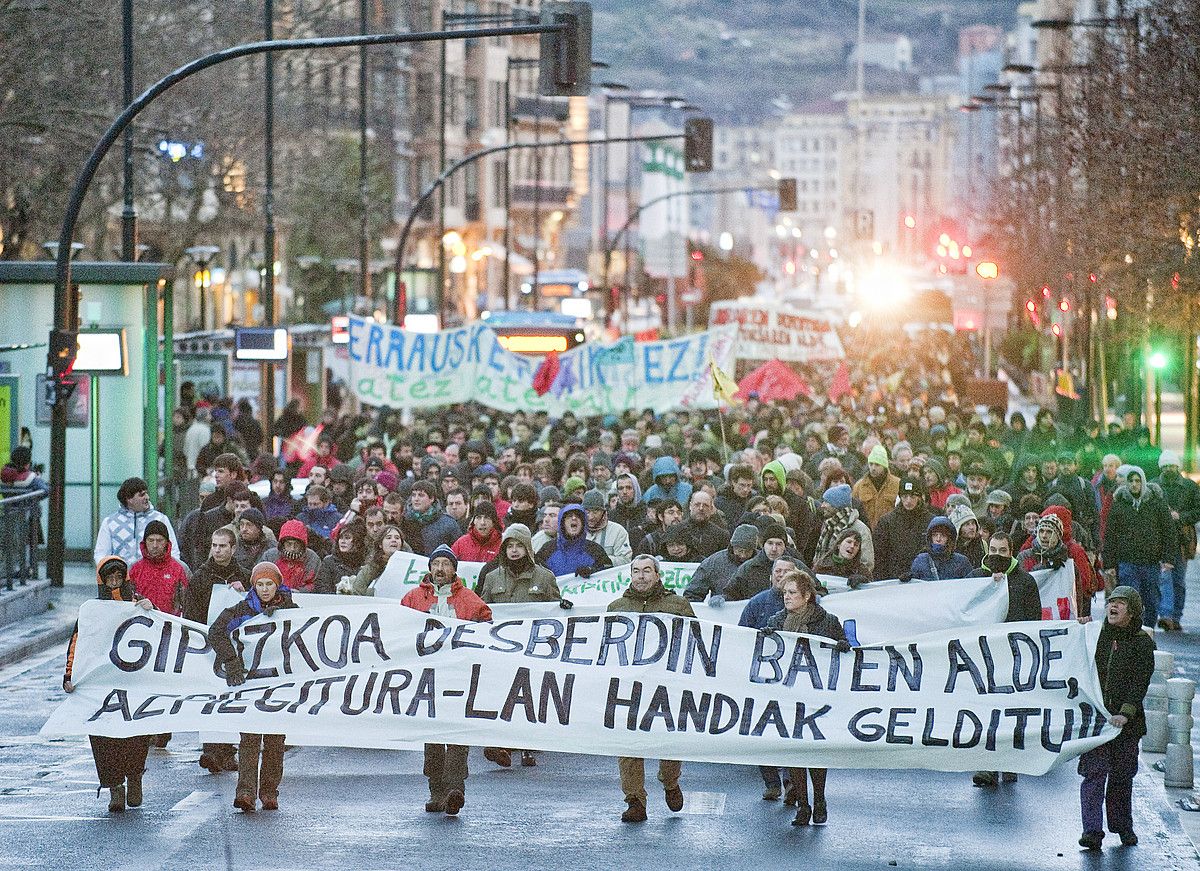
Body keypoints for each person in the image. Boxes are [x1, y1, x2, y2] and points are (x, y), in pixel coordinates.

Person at [400, 545, 492, 815]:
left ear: (454, 569)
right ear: (429, 568)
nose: (440, 569)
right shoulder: (413, 598)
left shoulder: (469, 599)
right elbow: (398, 629)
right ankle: (436, 790)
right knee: (431, 735)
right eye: (435, 564)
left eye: (445, 564)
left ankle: (455, 789)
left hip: (457, 676)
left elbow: (486, 622)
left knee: (456, 731)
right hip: (425, 676)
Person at [63, 556, 154, 813]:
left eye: (118, 577)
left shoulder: (140, 605)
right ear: (101, 581)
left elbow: (160, 635)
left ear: (125, 579)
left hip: (135, 681)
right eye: (109, 578)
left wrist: (151, 609)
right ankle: (114, 785)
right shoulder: (91, 611)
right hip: (102, 683)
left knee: (136, 733)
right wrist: (69, 675)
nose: (114, 582)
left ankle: (134, 775)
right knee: (103, 735)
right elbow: (76, 644)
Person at [607, 554, 694, 822]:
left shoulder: (677, 605)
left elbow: (696, 641)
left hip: (667, 685)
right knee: (629, 742)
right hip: (629, 685)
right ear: (630, 575)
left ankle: (670, 782)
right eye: (636, 571)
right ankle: (635, 800)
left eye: (647, 571)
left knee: (667, 739)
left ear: (658, 575)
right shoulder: (616, 607)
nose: (641, 576)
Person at [208, 562, 298, 812]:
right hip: (250, 683)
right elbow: (216, 632)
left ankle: (269, 791)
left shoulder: (291, 610)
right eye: (260, 584)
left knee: (275, 738)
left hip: (279, 683)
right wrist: (231, 661)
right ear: (254, 585)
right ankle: (245, 792)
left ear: (277, 585)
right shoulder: (242, 609)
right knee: (249, 737)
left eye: (270, 584)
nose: (265, 589)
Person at [763, 569, 850, 826]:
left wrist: (843, 644)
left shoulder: (827, 621)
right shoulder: (778, 621)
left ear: (807, 595)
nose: (786, 598)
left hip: (815, 696)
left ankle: (820, 799)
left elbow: (844, 644)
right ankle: (803, 804)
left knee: (815, 752)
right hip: (788, 696)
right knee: (795, 753)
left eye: (792, 593)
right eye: (784, 593)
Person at [476, 523, 565, 769]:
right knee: (502, 694)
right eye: (509, 546)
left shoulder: (544, 577)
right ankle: (500, 743)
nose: (514, 551)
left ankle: (526, 745)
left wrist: (564, 607)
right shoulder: (493, 577)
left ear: (528, 547)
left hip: (533, 649)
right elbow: (483, 609)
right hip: (501, 648)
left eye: (518, 546)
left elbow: (556, 611)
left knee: (528, 697)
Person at [1077, 586, 1155, 851]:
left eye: (1120, 604)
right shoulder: (1096, 635)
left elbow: (1139, 682)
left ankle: (1122, 826)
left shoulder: (1142, 643)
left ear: (1131, 612)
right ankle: (1091, 831)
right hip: (1097, 721)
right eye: (1111, 602)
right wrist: (1079, 628)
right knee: (1093, 774)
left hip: (1127, 725)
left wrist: (1126, 712)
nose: (1113, 607)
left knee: (1122, 777)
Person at [968, 531, 1043, 787]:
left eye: (1002, 551)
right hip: (983, 656)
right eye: (993, 550)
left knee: (1009, 711)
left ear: (1011, 552)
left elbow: (1035, 623)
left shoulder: (1025, 582)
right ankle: (986, 764)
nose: (996, 555)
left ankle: (1009, 761)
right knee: (985, 711)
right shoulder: (975, 578)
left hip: (1013, 657)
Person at [1101, 466, 1176, 630]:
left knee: (1151, 600)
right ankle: (1133, 632)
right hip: (1126, 562)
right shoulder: (1119, 505)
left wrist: (1168, 559)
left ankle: (1147, 629)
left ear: (1143, 482)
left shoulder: (1156, 504)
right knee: (1130, 600)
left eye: (1137, 481)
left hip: (1151, 562)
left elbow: (1168, 532)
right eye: (1131, 481)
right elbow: (1110, 536)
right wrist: (1109, 564)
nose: (1134, 485)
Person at [1151, 450, 1199, 631]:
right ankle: (1166, 614)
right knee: (1164, 578)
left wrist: (1182, 517)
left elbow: (1198, 509)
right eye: (1166, 466)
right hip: (1161, 539)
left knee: (1178, 579)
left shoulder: (1189, 487)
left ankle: (1175, 615)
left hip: (1181, 540)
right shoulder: (1154, 486)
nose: (1169, 469)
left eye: (1172, 466)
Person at [93, 477, 178, 567]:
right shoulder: (110, 523)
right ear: (129, 499)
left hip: (153, 579)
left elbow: (173, 551)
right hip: (121, 578)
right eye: (142, 495)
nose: (147, 497)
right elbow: (101, 554)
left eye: (146, 493)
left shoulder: (160, 519)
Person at [872, 476, 933, 581]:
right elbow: (879, 555)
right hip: (894, 579)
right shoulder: (887, 521)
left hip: (923, 579)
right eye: (905, 496)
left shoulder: (931, 521)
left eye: (913, 496)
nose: (908, 501)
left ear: (920, 497)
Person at [683, 523, 759, 601]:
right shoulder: (714, 562)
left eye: (748, 551)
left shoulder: (762, 562)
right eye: (740, 551)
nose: (743, 555)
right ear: (733, 546)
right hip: (722, 610)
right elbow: (692, 593)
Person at [813, 483, 874, 577]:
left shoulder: (860, 529)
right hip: (826, 578)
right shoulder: (828, 525)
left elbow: (867, 562)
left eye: (826, 502)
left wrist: (858, 577)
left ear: (836, 505)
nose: (822, 505)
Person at [128, 520, 188, 614]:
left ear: (166, 543)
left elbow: (189, 604)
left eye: (159, 540)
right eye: (151, 540)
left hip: (171, 625)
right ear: (145, 542)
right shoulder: (134, 568)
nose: (155, 545)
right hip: (140, 624)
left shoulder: (180, 568)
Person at [536, 504, 613, 577]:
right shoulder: (548, 549)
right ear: (562, 523)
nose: (574, 518)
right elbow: (536, 573)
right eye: (569, 516)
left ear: (583, 523)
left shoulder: (595, 549)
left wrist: (592, 571)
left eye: (578, 516)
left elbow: (609, 572)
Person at [402, 480, 462, 556]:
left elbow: (458, 551)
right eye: (414, 495)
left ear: (431, 499)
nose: (416, 499)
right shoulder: (404, 520)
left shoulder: (448, 523)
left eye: (421, 495)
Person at [343, 525, 408, 596]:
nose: (393, 540)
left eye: (397, 538)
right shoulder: (369, 569)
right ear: (380, 544)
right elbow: (357, 593)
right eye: (388, 537)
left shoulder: (408, 567)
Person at [263, 519, 321, 593]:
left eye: (296, 545)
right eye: (289, 544)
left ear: (302, 545)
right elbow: (261, 578)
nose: (292, 548)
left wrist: (301, 591)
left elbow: (316, 583)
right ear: (283, 544)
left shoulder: (313, 558)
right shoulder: (270, 556)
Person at [910, 516, 973, 581]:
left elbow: (970, 587)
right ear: (930, 538)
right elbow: (914, 588)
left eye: (943, 535)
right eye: (935, 535)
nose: (938, 539)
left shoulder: (961, 562)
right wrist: (907, 580)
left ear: (949, 538)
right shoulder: (920, 560)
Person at [852, 444, 900, 530]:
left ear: (884, 466)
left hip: (889, 533)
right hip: (866, 533)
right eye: (871, 464)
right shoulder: (859, 486)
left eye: (877, 465)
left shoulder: (897, 484)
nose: (873, 468)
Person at [582, 489, 633, 565]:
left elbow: (625, 560)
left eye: (595, 512)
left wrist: (605, 559)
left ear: (603, 512)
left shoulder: (618, 531)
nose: (591, 517)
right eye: (587, 512)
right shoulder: (577, 532)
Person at [315, 521, 367, 594]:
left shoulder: (366, 563)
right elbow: (321, 587)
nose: (343, 541)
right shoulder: (329, 561)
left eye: (347, 538)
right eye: (340, 538)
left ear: (358, 542)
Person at [676, 490, 729, 559]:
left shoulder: (721, 535)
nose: (701, 508)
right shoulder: (676, 530)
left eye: (705, 505)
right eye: (697, 504)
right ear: (690, 506)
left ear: (711, 509)